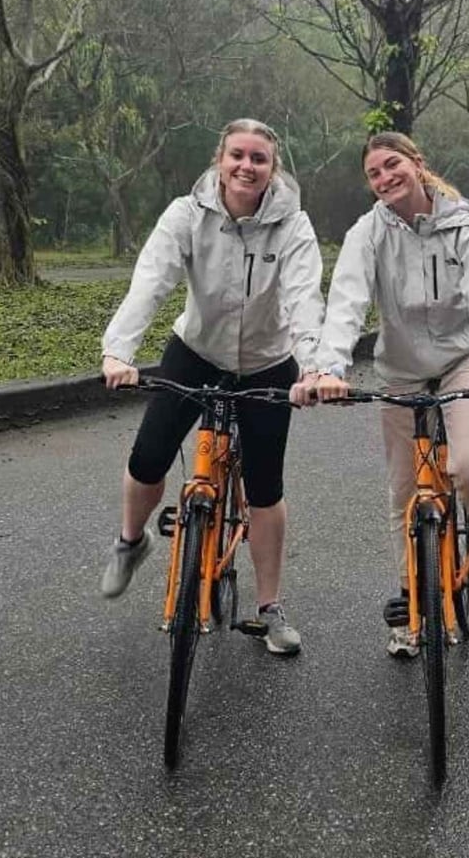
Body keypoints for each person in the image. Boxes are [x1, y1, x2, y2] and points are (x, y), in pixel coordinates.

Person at [98, 118, 323, 656]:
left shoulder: (294, 226)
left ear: (273, 168)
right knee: (148, 456)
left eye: (259, 158)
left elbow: (303, 299)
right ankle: (130, 541)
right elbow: (151, 280)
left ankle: (270, 607)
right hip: (196, 351)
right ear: (220, 160)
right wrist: (118, 351)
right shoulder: (187, 213)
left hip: (268, 362)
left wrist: (314, 367)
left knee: (265, 487)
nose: (247, 166)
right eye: (237, 155)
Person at [309, 131, 469, 658]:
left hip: (462, 362)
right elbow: (347, 301)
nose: (385, 178)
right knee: (404, 493)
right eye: (374, 173)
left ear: (417, 163)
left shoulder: (465, 227)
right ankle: (412, 602)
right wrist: (330, 367)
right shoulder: (367, 233)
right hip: (402, 371)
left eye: (392, 165)